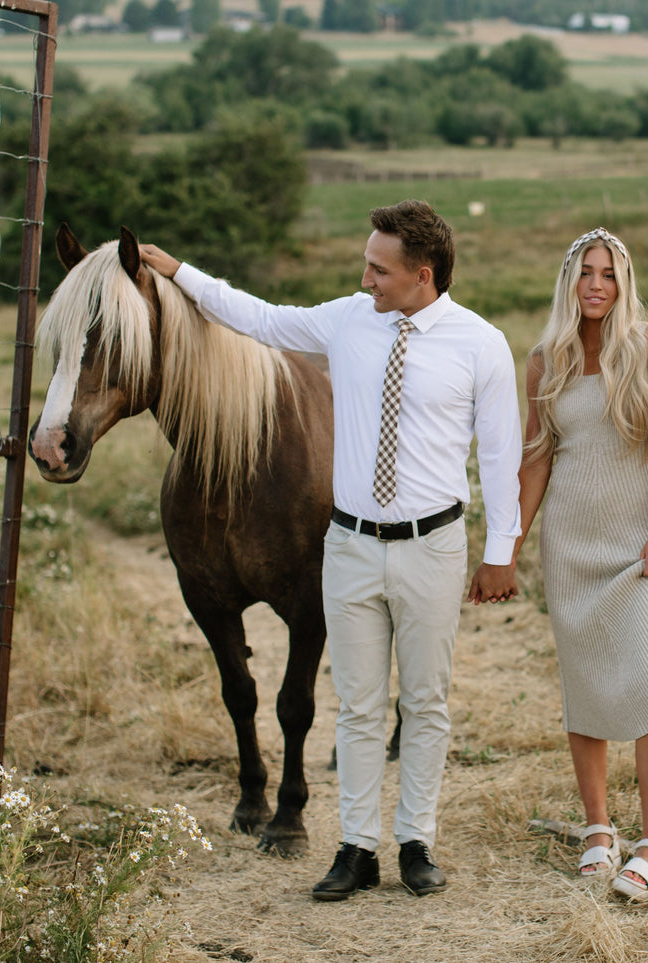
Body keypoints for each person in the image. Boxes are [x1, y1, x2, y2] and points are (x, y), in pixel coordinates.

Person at [138, 199, 521, 902]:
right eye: (365, 264)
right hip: (347, 542)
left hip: (432, 544)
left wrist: (501, 550)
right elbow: (255, 314)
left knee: (427, 701)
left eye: (379, 268)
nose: (366, 277)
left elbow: (499, 455)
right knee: (357, 703)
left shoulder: (480, 344)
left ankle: (416, 841)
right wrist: (178, 272)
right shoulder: (348, 318)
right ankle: (355, 847)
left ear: (422, 274)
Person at [510, 227, 648, 901]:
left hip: (636, 544)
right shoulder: (543, 360)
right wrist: (508, 548)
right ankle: (596, 828)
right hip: (569, 545)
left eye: (608, 273)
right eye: (585, 271)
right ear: (569, 280)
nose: (595, 283)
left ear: (623, 283)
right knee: (583, 686)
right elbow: (535, 461)